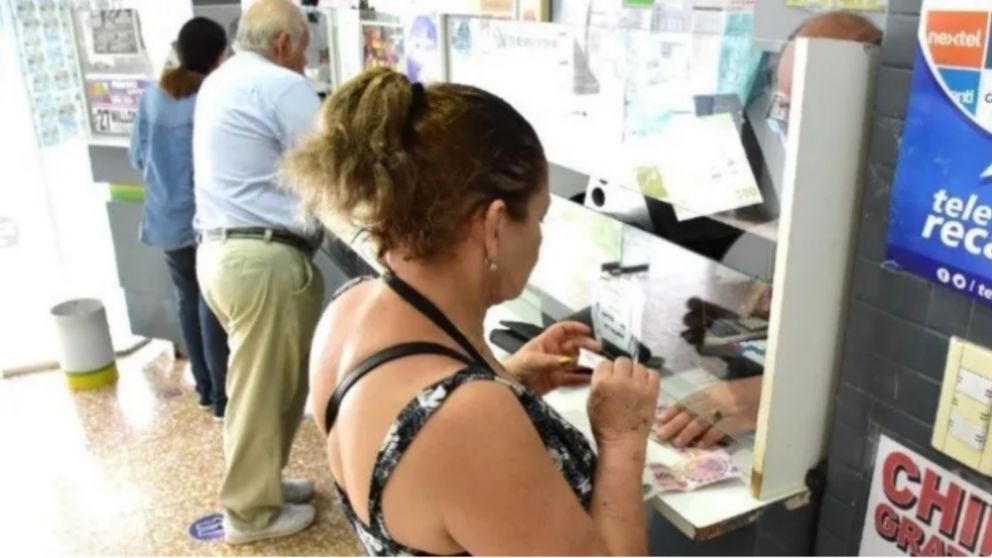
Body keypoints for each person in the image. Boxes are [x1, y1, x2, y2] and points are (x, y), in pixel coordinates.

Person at [281, 68, 661, 555]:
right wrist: (624, 437)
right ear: (495, 225)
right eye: (539, 218)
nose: (541, 239)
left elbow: (434, 483)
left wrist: (508, 376)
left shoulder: (349, 310)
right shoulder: (468, 417)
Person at [655, 11, 883, 450]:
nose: (793, 135)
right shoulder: (807, 199)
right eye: (785, 110)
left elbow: (897, 364)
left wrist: (763, 397)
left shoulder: (911, 216)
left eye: (812, 114)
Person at [193, 0, 323, 544]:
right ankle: (250, 514)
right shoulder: (282, 86)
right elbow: (327, 161)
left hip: (223, 254)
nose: (306, 60)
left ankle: (263, 483)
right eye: (304, 49)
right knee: (262, 390)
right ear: (283, 44)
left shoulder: (221, 81)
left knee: (270, 387)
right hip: (261, 259)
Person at [129, 17, 229, 420]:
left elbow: (137, 156)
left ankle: (205, 390)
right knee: (211, 306)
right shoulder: (211, 98)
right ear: (218, 56)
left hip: (165, 219)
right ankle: (224, 398)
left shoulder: (153, 95)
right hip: (202, 220)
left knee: (188, 300)